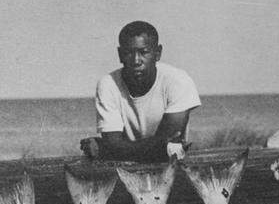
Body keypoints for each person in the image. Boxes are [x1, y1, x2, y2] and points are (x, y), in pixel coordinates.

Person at [80, 20, 200, 161]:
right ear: (120, 54)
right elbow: (163, 147)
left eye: (144, 52)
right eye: (129, 53)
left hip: (171, 168)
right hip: (126, 168)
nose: (136, 60)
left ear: (158, 53)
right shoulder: (108, 84)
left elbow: (168, 144)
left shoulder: (178, 81)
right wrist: (160, 147)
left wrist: (105, 149)